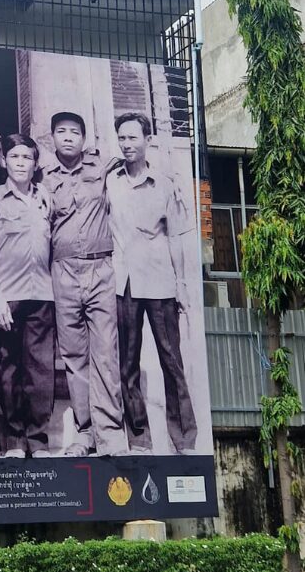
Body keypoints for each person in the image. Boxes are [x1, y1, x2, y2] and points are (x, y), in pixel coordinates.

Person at [106, 112, 198, 454]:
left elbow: (175, 238)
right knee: (127, 365)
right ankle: (139, 437)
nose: (128, 145)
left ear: (147, 139)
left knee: (171, 362)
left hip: (160, 282)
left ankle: (184, 437)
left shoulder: (164, 184)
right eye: (123, 138)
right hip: (124, 284)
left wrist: (183, 285)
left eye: (134, 138)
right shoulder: (110, 181)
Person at [42, 111, 126, 456]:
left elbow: (131, 154)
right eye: (61, 132)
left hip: (100, 269)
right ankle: (85, 432)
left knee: (105, 353)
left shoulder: (101, 167)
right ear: (52, 138)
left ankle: (111, 435)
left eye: (74, 132)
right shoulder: (43, 177)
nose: (68, 138)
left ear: (84, 138)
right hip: (62, 273)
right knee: (74, 356)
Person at [0, 134, 56, 458]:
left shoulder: (45, 199)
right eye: (15, 157)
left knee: (40, 373)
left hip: (42, 294)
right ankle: (12, 441)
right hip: (8, 297)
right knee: (9, 371)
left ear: (35, 164)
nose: (21, 163)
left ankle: (37, 441)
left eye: (27, 157)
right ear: (3, 161)